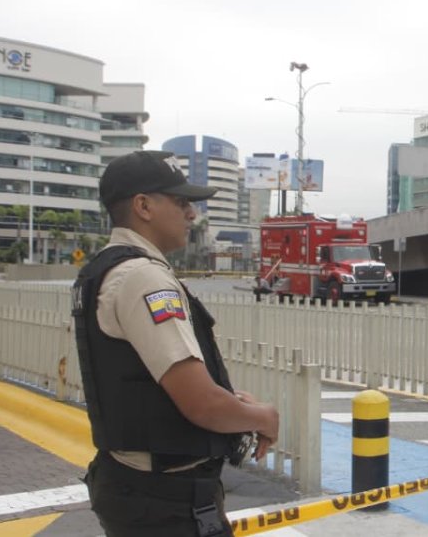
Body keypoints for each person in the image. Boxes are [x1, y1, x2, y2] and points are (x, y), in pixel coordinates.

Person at [73, 151, 279, 537]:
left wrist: (231, 400)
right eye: (182, 202)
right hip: (166, 503)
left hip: (135, 488)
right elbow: (200, 404)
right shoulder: (144, 279)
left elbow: (141, 379)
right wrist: (263, 417)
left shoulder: (105, 269)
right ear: (144, 206)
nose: (191, 214)